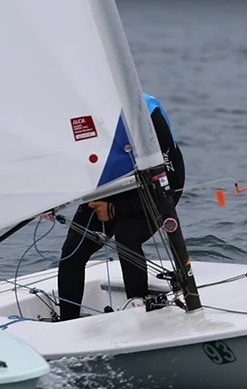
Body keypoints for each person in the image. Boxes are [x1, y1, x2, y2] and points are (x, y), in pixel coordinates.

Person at [56, 95, 184, 322]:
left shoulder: (146, 111)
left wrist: (115, 210)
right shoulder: (79, 113)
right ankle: (66, 322)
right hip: (109, 189)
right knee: (72, 251)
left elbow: (171, 184)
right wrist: (51, 201)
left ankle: (139, 310)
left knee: (127, 237)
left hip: (154, 190)